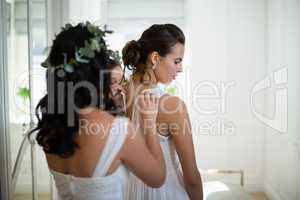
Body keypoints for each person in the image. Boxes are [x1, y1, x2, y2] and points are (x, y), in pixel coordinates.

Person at [29, 22, 166, 200]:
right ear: (97, 70)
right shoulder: (118, 130)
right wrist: (148, 122)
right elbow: (157, 178)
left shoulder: (50, 129)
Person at [122, 24, 203, 200]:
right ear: (155, 58)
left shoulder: (118, 94)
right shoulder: (173, 107)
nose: (180, 68)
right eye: (177, 61)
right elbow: (192, 178)